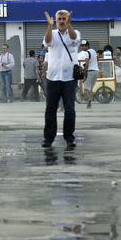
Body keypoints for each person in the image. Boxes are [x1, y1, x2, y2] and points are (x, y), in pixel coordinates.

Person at [42, 10, 80, 150]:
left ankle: (69, 138)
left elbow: (74, 39)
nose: (62, 21)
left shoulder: (74, 32)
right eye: (60, 19)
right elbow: (46, 43)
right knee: (50, 109)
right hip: (53, 77)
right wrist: (49, 26)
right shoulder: (52, 33)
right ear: (56, 20)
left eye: (64, 18)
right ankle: (48, 139)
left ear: (68, 19)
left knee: (70, 109)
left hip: (69, 78)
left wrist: (69, 25)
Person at [79, 40, 98, 109]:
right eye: (82, 46)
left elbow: (86, 64)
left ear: (88, 46)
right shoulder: (93, 50)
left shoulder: (87, 53)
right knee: (90, 88)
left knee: (86, 89)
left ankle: (89, 101)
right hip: (96, 71)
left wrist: (85, 74)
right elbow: (97, 58)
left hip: (90, 72)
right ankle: (90, 99)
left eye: (84, 46)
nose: (83, 47)